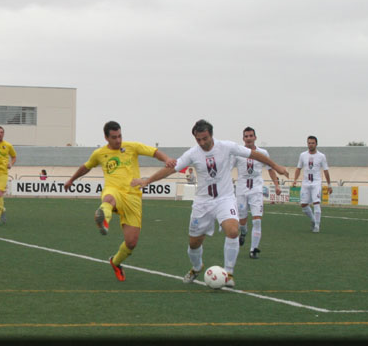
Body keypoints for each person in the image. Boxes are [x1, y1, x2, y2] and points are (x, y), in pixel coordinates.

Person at [132, 119, 288, 288]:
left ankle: (228, 274)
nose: (202, 142)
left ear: (211, 134)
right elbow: (171, 168)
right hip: (203, 203)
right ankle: (197, 267)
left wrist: (276, 166)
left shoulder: (226, 146)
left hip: (225, 199)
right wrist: (147, 181)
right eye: (198, 139)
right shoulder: (192, 153)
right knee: (194, 243)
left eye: (205, 138)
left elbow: (254, 154)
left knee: (233, 231)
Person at [64, 120, 177, 282]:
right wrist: (71, 180)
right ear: (106, 137)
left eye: (119, 136)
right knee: (108, 199)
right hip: (114, 190)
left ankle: (115, 262)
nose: (118, 140)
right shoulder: (99, 154)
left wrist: (166, 159)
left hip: (133, 197)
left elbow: (154, 152)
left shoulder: (132, 147)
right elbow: (86, 166)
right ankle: (103, 221)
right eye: (114, 137)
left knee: (131, 243)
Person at [233, 126, 281, 260]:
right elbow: (227, 168)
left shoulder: (263, 153)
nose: (248, 138)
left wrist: (277, 185)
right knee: (242, 221)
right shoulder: (238, 153)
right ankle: (243, 232)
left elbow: (271, 169)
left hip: (256, 190)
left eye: (251, 136)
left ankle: (253, 250)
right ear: (243, 139)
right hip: (241, 190)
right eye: (246, 136)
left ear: (255, 137)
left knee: (257, 221)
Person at [292, 135, 332, 233]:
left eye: (312, 143)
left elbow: (326, 171)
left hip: (316, 183)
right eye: (309, 143)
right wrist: (295, 180)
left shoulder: (321, 156)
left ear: (316, 144)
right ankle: (314, 220)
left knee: (316, 202)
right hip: (305, 183)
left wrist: (329, 185)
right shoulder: (302, 155)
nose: (310, 145)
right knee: (303, 205)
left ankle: (317, 226)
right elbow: (298, 168)